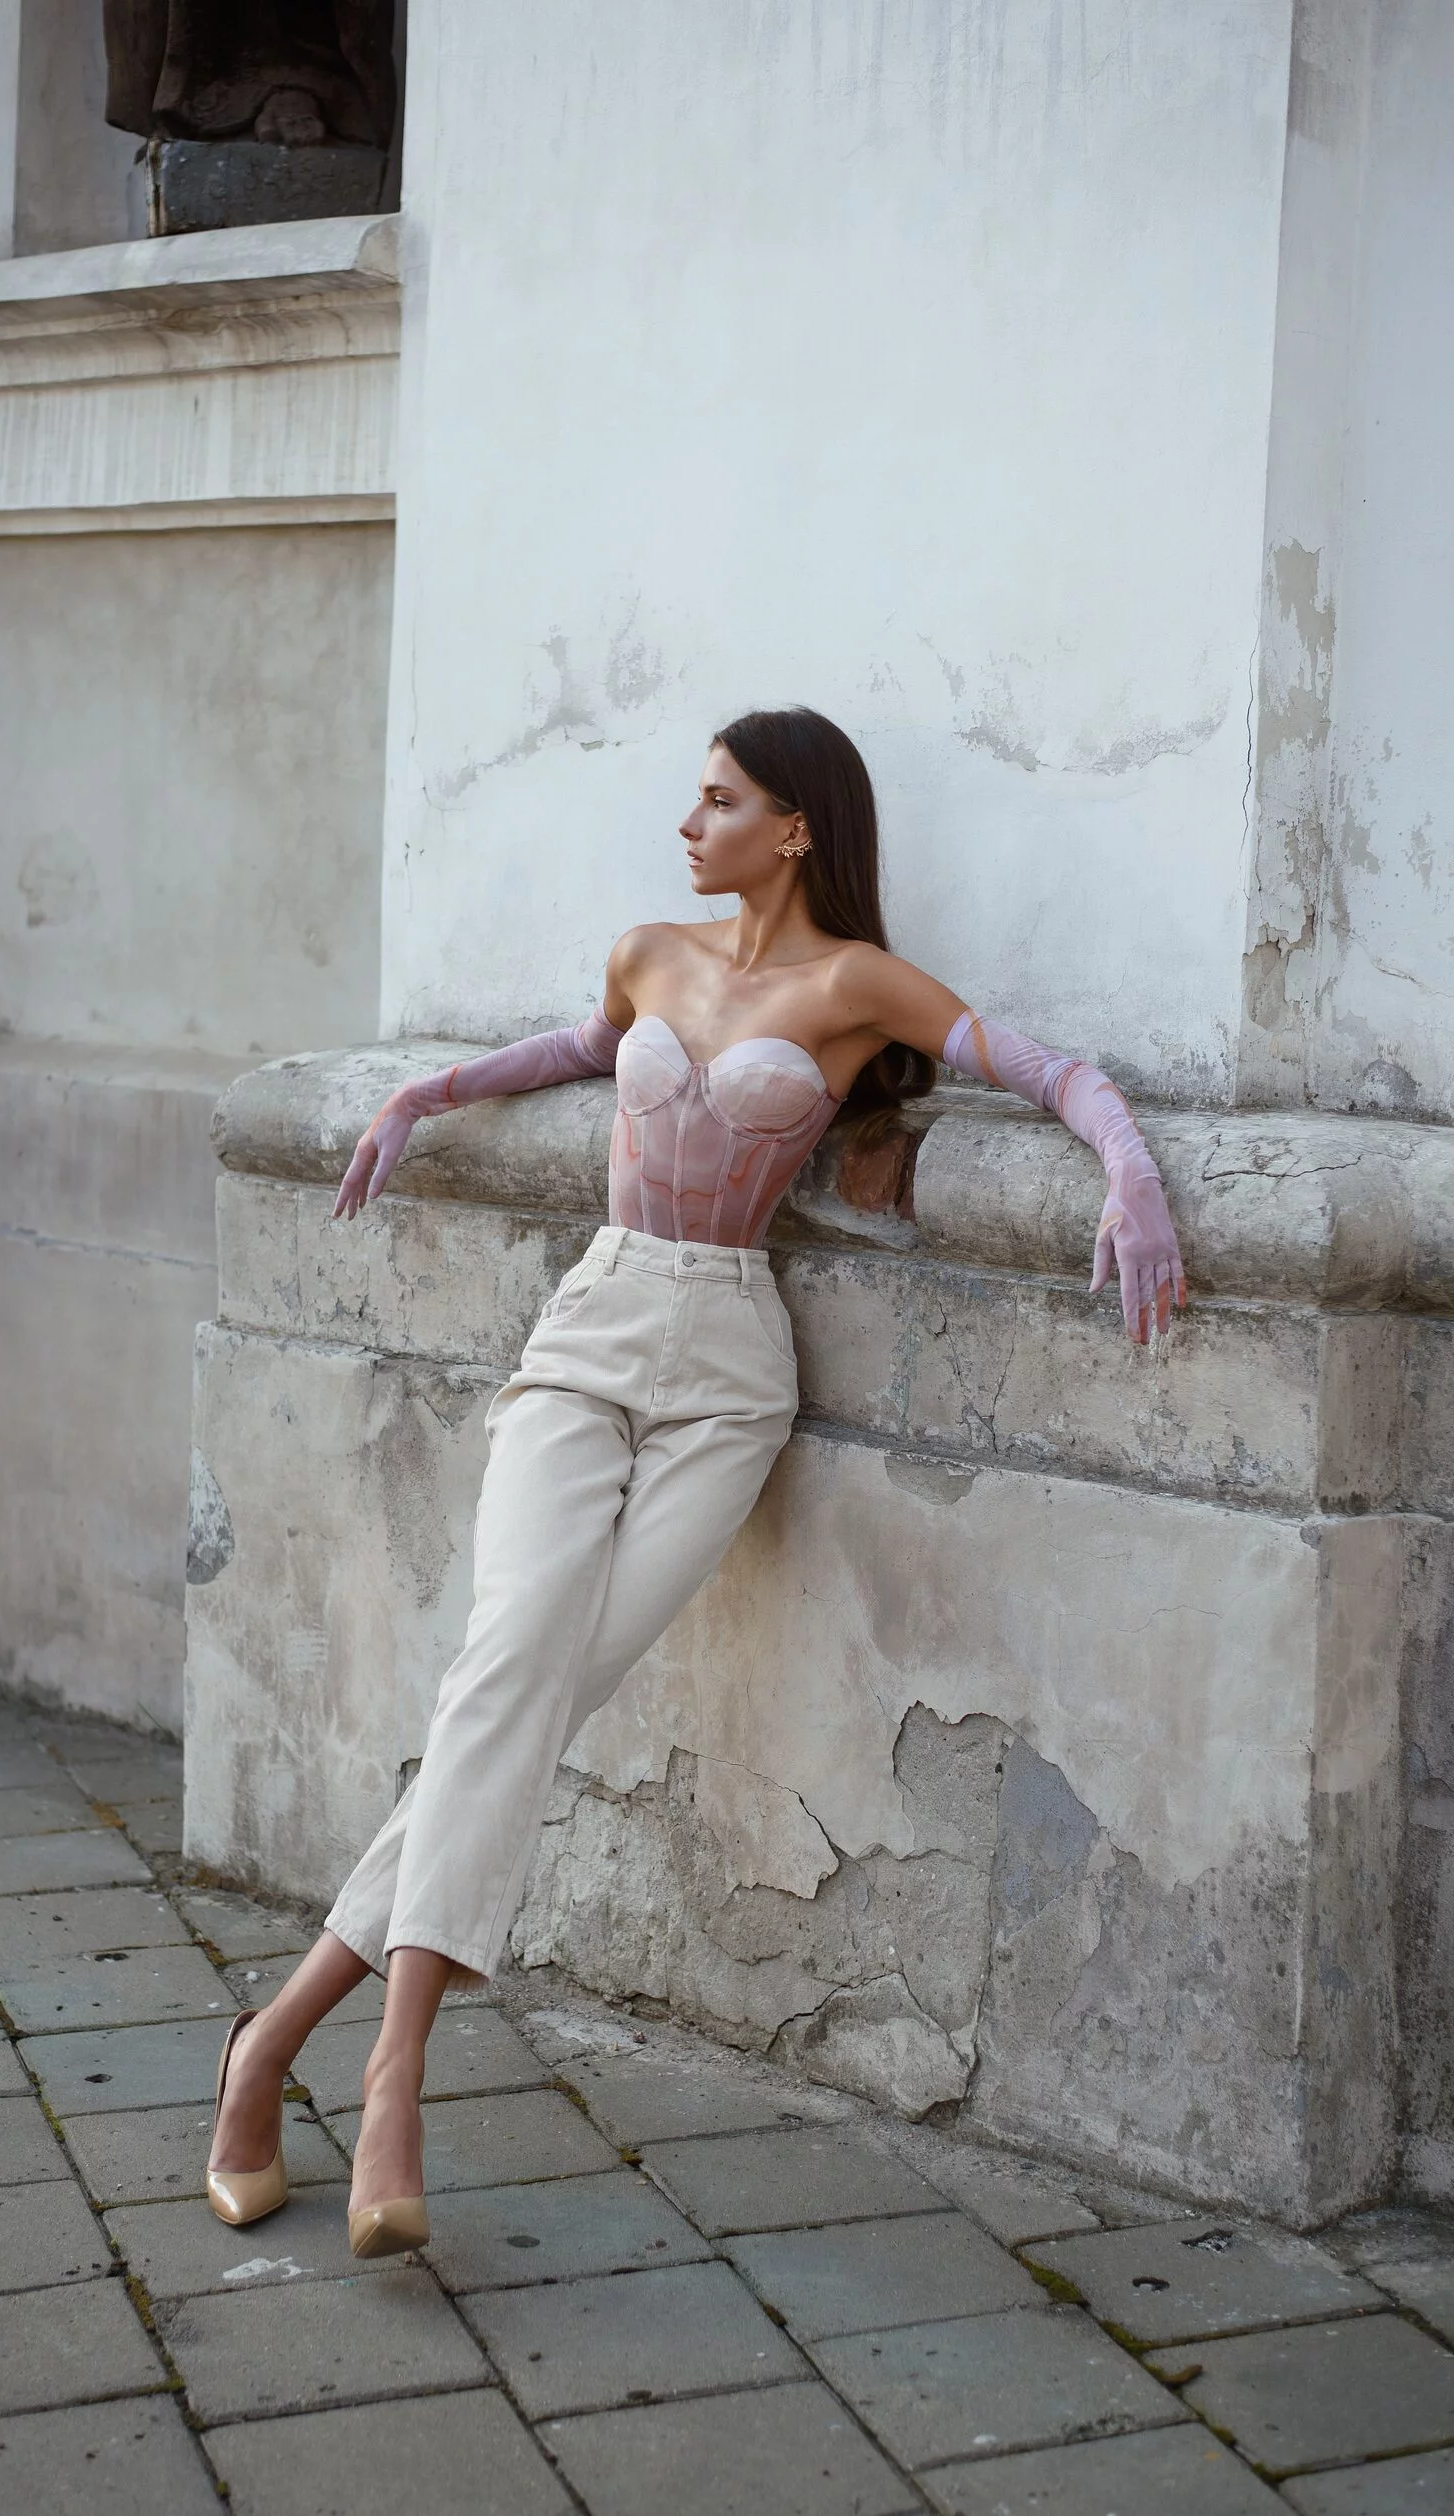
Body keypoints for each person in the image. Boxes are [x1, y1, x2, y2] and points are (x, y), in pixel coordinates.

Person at [203, 705, 1187, 2255]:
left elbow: (1054, 1072)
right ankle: (384, 2074)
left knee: (534, 1706)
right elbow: (585, 1054)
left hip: (731, 1373)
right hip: (592, 1330)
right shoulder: (651, 951)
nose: (689, 820)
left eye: (719, 799)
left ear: (793, 828)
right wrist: (428, 1092)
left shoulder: (858, 989)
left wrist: (1130, 1174)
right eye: (697, 797)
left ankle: (272, 2045)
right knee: (503, 1674)